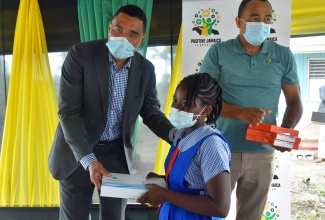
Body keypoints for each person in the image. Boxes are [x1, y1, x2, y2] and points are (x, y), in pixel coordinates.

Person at [48, 5, 176, 220]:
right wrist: (88, 160)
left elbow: (152, 113)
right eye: (118, 30)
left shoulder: (145, 70)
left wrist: (177, 137)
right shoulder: (81, 55)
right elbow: (69, 113)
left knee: (114, 216)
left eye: (132, 34)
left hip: (115, 155)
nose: (123, 38)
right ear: (109, 28)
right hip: (77, 152)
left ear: (141, 39)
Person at [200, 0, 303, 219]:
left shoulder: (283, 55)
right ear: (239, 22)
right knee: (208, 213)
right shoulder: (219, 51)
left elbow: (294, 101)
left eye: (267, 19)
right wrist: (239, 112)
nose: (262, 24)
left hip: (262, 153)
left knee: (251, 216)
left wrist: (284, 133)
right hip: (221, 150)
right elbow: (203, 101)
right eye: (254, 18)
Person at [137, 73, 231, 219]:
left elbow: (220, 207)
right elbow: (191, 182)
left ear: (206, 110)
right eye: (175, 101)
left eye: (185, 104)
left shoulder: (210, 144)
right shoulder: (180, 137)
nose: (176, 108)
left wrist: (166, 195)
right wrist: (164, 182)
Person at [316, 85, 325, 163]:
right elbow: (323, 98)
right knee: (322, 135)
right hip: (322, 114)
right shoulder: (322, 87)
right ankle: (321, 156)